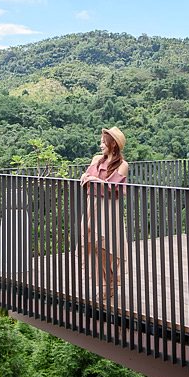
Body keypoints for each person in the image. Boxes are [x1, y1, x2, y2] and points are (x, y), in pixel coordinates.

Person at [79, 127, 129, 300]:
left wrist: (94, 180)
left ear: (113, 144)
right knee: (93, 245)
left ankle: (111, 284)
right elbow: (86, 177)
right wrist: (89, 178)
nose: (100, 145)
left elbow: (113, 188)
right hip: (92, 204)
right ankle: (104, 284)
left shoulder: (123, 165)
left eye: (103, 142)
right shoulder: (96, 160)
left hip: (108, 207)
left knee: (107, 247)